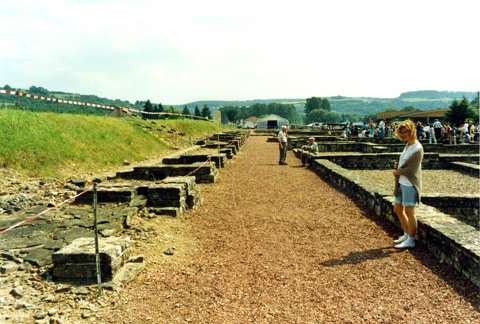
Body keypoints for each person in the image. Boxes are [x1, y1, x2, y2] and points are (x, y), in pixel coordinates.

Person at [392, 119, 424, 249]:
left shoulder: (417, 148)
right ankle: (406, 233)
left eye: (406, 131)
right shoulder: (408, 145)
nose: (404, 134)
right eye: (402, 132)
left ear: (412, 131)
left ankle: (411, 239)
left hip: (410, 183)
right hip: (401, 182)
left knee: (409, 211)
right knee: (398, 208)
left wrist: (398, 171)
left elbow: (412, 169)